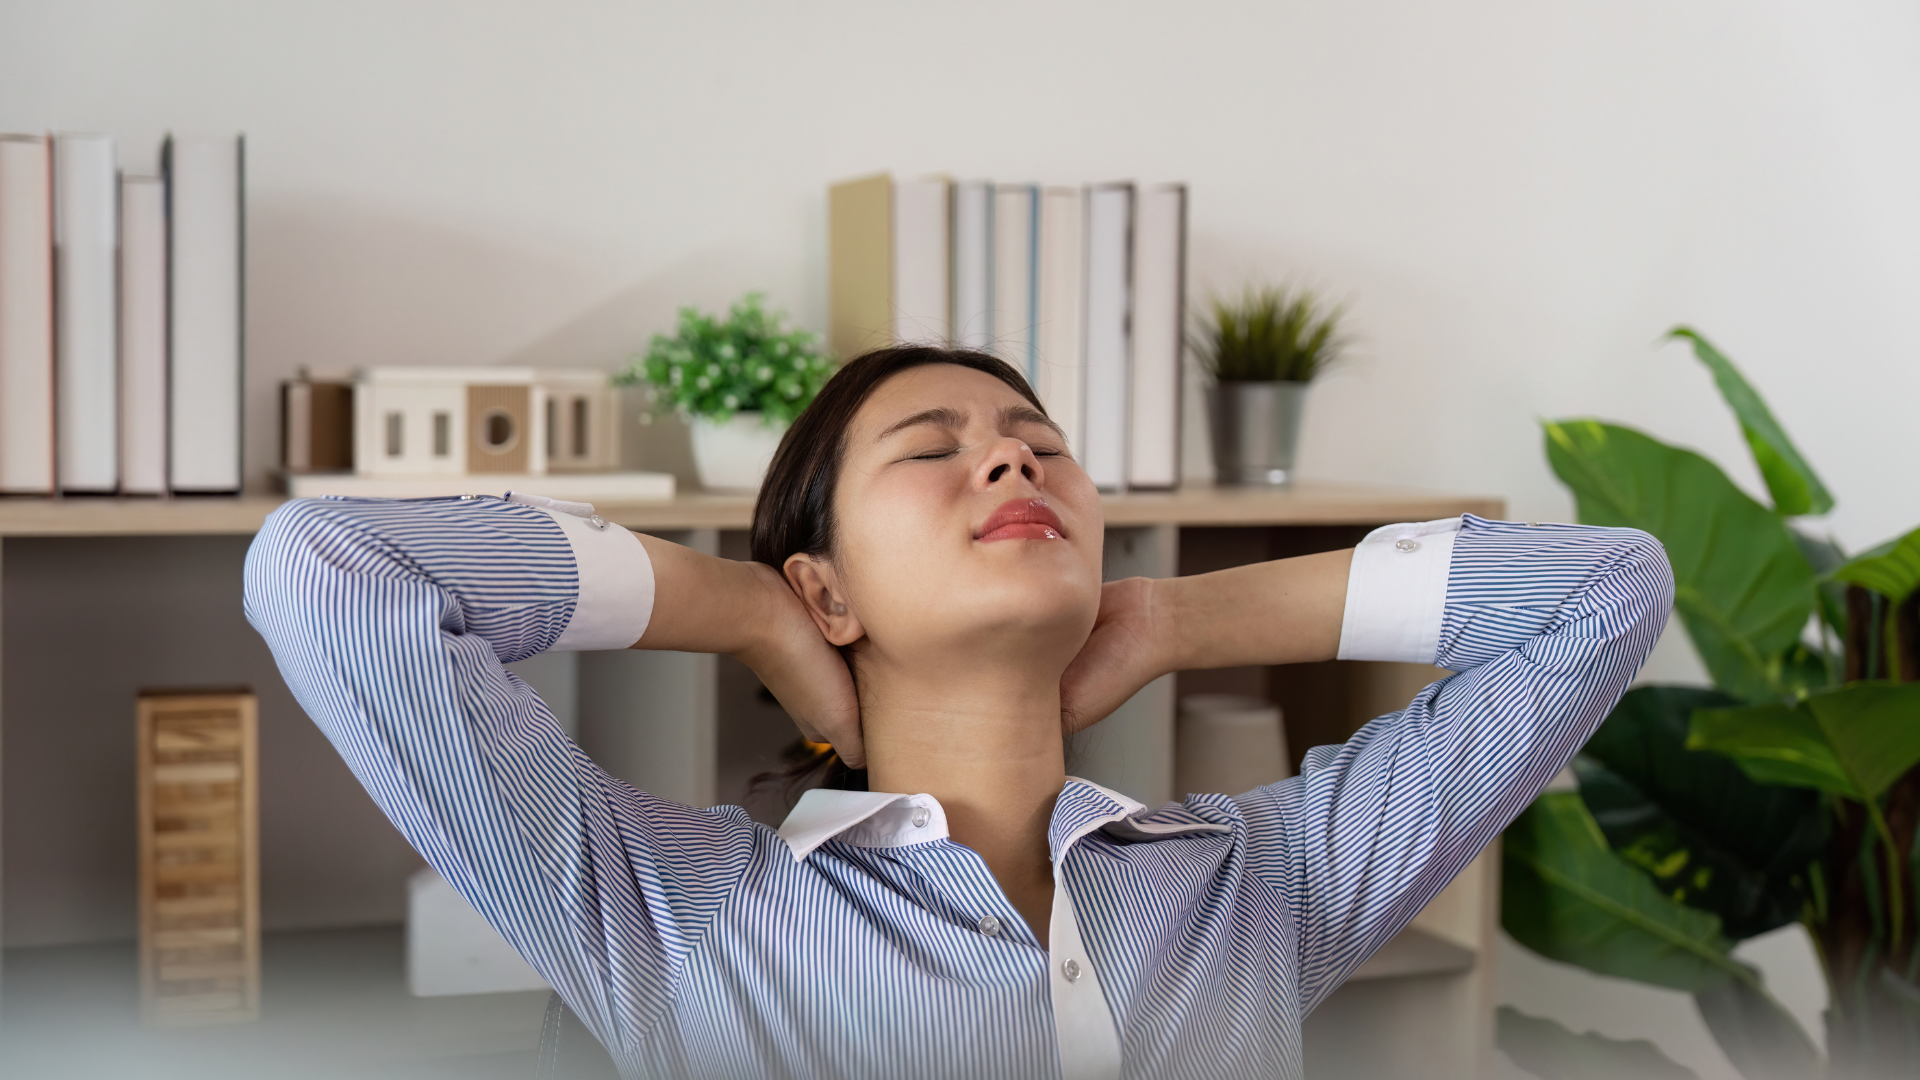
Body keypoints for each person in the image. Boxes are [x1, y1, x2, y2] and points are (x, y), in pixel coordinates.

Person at [244, 345, 1672, 1080]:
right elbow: (330, 570)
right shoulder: (672, 915)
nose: (1010, 467)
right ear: (828, 587)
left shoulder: (1263, 883)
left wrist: (1177, 615)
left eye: (1041, 449)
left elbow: (1606, 593)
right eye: (936, 451)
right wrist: (740, 607)